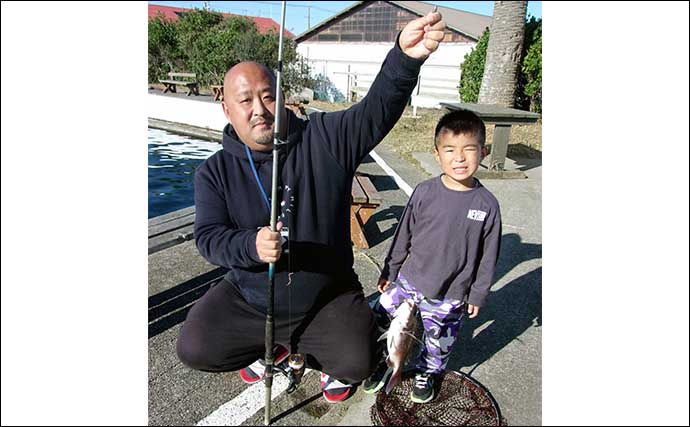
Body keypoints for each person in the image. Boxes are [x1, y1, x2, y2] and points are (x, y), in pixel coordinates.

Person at [175, 10, 447, 403]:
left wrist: (404, 59)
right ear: (227, 110)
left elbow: (375, 112)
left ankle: (308, 344)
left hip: (327, 296)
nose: (260, 109)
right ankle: (274, 347)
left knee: (356, 363)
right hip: (251, 298)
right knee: (194, 347)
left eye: (269, 95)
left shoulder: (325, 138)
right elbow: (209, 239)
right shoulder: (213, 173)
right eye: (246, 100)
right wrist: (250, 247)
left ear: (283, 97)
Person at [362, 109, 502, 404]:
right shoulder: (425, 192)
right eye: (450, 150)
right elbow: (403, 235)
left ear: (484, 152)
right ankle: (383, 360)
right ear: (437, 154)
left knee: (439, 341)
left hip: (451, 292)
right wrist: (390, 270)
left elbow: (488, 255)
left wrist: (477, 293)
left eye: (469, 150)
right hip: (408, 280)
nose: (459, 158)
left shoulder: (487, 205)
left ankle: (428, 371)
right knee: (381, 317)